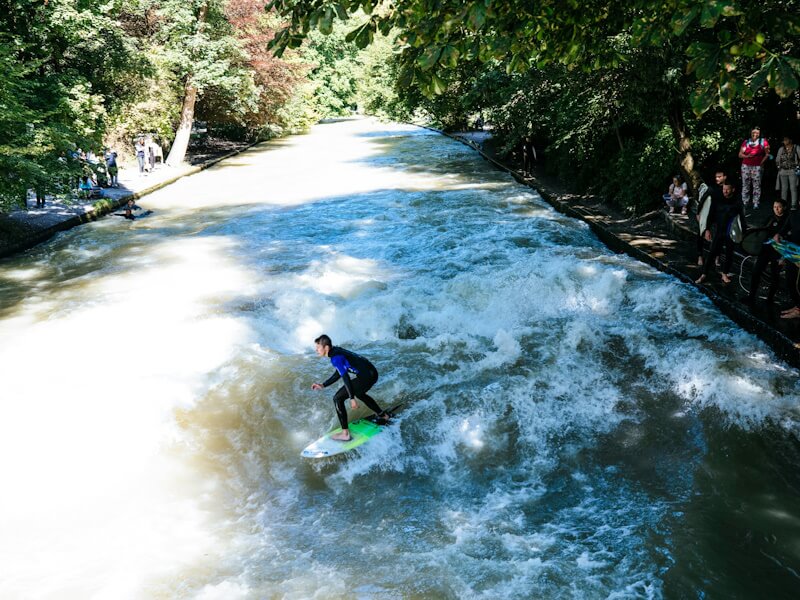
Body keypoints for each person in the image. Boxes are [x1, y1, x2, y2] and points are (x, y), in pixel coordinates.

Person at [310, 334, 390, 441]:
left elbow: (345, 377)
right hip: (372, 372)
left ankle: (345, 434)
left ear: (326, 348)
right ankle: (383, 415)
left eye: (318, 348)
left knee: (337, 398)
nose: (316, 350)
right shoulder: (336, 351)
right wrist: (323, 384)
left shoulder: (335, 358)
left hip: (366, 376)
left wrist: (351, 398)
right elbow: (339, 372)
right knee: (360, 393)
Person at [696, 181, 746, 285]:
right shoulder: (717, 200)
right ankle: (704, 274)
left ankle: (725, 273)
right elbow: (710, 215)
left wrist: (743, 233)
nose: (725, 191)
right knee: (712, 252)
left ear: (733, 189)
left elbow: (741, 219)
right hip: (719, 230)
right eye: (724, 189)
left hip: (731, 231)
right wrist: (707, 229)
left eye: (727, 189)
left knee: (729, 254)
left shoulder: (737, 202)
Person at [746, 198, 789, 308]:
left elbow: (790, 240)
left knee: (775, 276)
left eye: (779, 207)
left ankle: (770, 299)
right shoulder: (770, 218)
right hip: (766, 250)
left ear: (784, 207)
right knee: (756, 272)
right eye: (774, 207)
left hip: (779, 252)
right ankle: (751, 296)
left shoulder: (788, 220)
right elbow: (762, 232)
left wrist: (784, 257)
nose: (776, 209)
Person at [696, 169, 727, 266]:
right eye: (716, 177)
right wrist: (698, 213)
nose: (717, 178)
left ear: (724, 177)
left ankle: (717, 257)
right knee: (701, 234)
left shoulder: (727, 188)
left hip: (719, 216)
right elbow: (702, 200)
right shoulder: (712, 189)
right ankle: (700, 256)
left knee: (720, 237)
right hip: (708, 214)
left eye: (719, 177)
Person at [738, 126, 770, 209]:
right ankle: (745, 202)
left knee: (757, 185)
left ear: (759, 134)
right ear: (751, 133)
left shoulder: (763, 142)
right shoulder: (746, 142)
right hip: (746, 165)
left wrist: (761, 163)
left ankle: (756, 203)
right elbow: (740, 154)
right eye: (753, 132)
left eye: (757, 133)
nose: (755, 134)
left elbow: (767, 154)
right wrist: (747, 156)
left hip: (757, 166)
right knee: (745, 184)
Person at [775, 135, 799, 210]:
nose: (784, 141)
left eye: (786, 140)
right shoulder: (781, 149)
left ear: (790, 140)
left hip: (792, 170)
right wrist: (778, 167)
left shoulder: (796, 147)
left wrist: (798, 167)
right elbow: (777, 159)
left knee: (793, 188)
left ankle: (793, 204)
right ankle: (783, 204)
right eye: (783, 140)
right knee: (784, 188)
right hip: (783, 171)